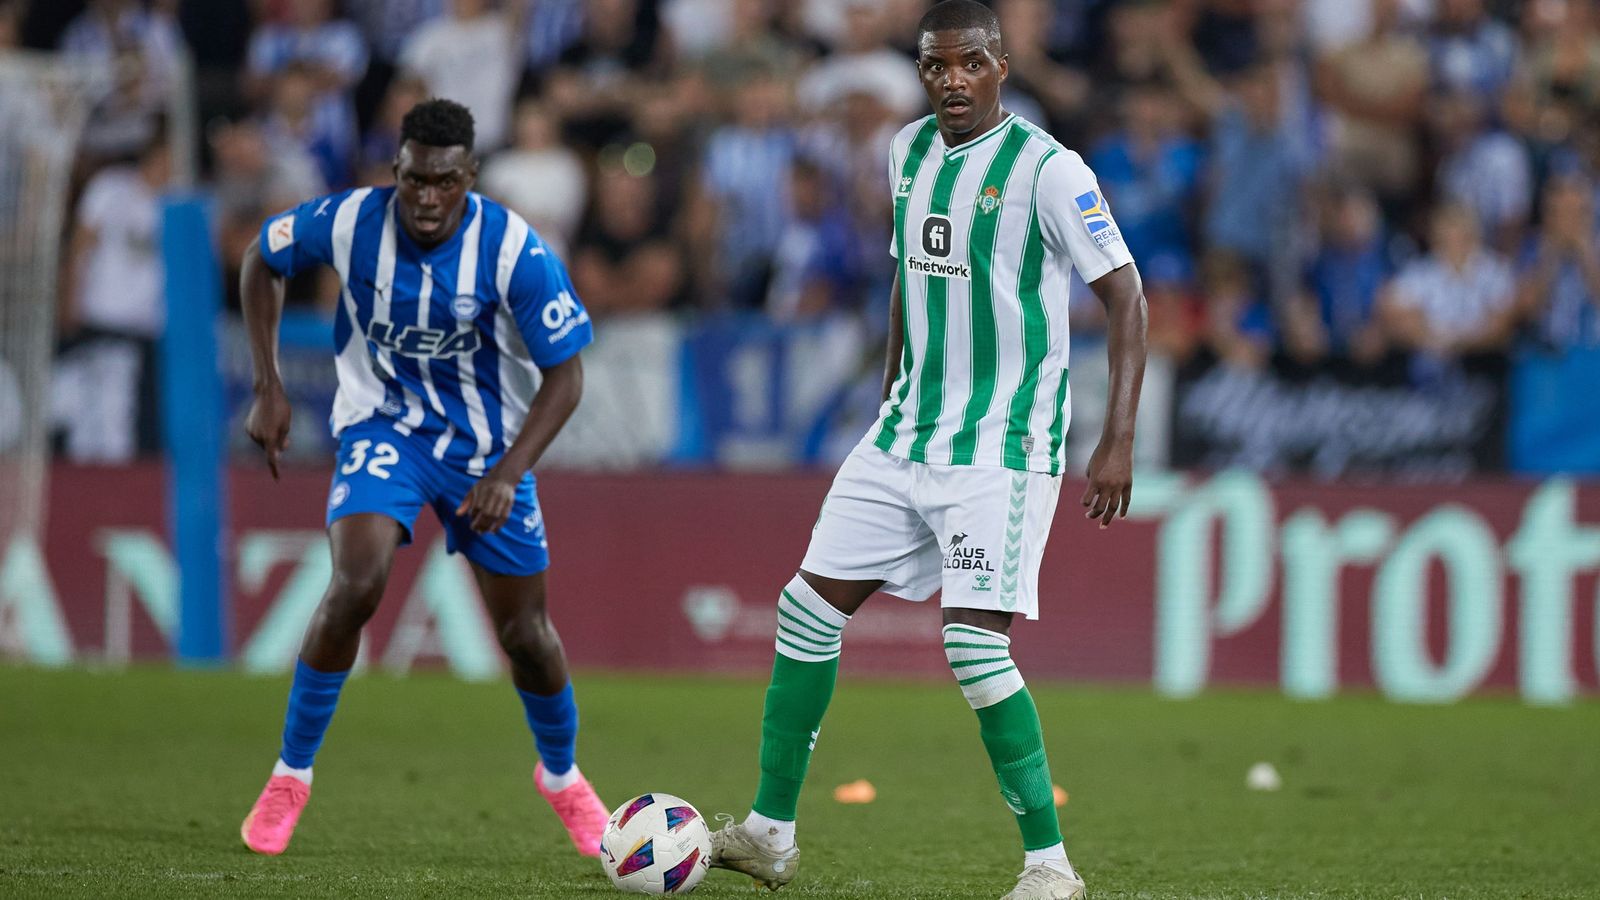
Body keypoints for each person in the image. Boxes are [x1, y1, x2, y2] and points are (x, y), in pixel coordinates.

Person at [705, 3, 1148, 899]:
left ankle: (1051, 868)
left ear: (1002, 65)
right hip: (903, 433)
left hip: (1001, 447)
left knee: (974, 649)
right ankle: (768, 833)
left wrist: (1117, 437)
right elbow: (912, 278)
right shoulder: (905, 152)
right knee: (804, 612)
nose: (951, 80)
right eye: (935, 66)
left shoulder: (1050, 171)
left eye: (969, 64)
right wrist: (888, 394)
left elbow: (1129, 297)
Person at [236, 99, 607, 859]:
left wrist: (509, 471)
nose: (426, 198)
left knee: (526, 635)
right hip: (383, 429)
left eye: (443, 181)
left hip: (486, 450)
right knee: (356, 583)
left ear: (468, 175)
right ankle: (290, 774)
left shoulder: (512, 249)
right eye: (412, 181)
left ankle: (564, 777)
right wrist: (268, 384)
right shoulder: (348, 220)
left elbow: (566, 377)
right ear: (395, 172)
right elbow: (259, 260)